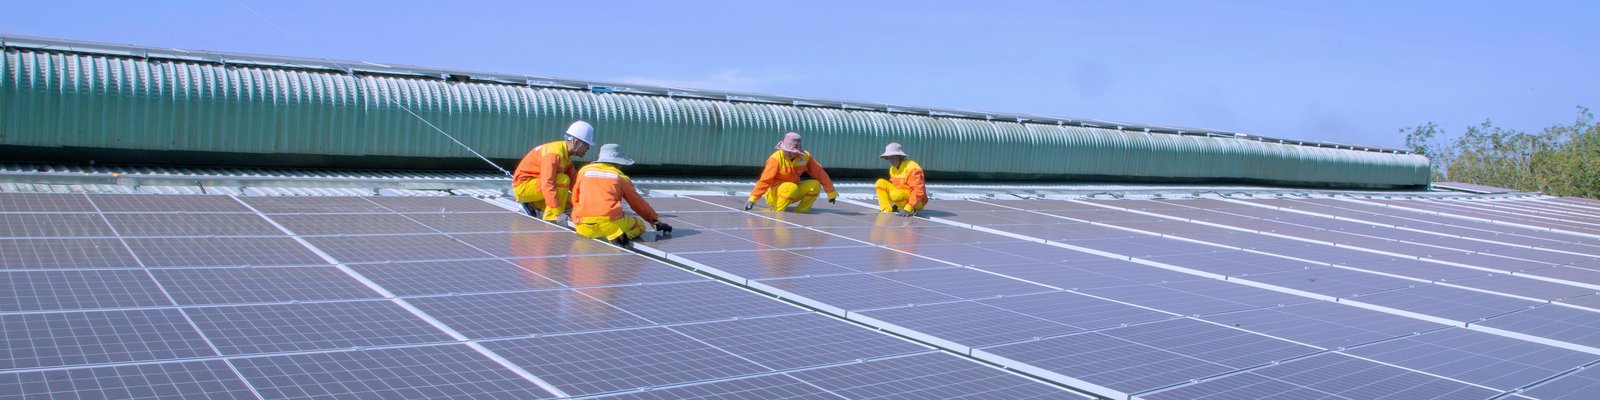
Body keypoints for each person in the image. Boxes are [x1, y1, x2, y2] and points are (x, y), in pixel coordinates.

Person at [570, 143, 672, 246]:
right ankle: (620, 237)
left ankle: (605, 234)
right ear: (617, 162)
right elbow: (637, 203)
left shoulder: (584, 171)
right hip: (610, 225)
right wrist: (656, 221)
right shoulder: (620, 177)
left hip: (582, 226)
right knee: (640, 225)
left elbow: (575, 197)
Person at [512, 121, 594, 222]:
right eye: (586, 144)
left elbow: (575, 185)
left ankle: (532, 205)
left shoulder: (565, 156)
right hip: (523, 188)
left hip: (536, 187)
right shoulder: (553, 154)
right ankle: (551, 219)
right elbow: (547, 184)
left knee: (574, 203)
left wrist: (589, 203)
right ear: (576, 142)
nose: (588, 148)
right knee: (562, 180)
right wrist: (558, 214)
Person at [744, 132, 838, 213]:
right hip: (775, 194)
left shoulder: (805, 157)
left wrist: (831, 192)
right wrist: (753, 199)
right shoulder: (775, 159)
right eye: (786, 150)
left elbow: (820, 173)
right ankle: (777, 213)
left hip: (793, 191)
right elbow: (765, 180)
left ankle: (801, 212)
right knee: (790, 187)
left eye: (792, 151)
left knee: (815, 185)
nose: (789, 153)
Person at [874, 142, 927, 217]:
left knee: (895, 195)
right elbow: (897, 188)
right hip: (902, 196)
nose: (890, 160)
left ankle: (913, 209)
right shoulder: (892, 169)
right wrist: (896, 205)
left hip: (918, 202)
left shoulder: (912, 168)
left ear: (899, 156)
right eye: (889, 157)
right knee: (880, 183)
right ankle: (886, 210)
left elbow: (919, 191)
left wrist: (908, 208)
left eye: (892, 157)